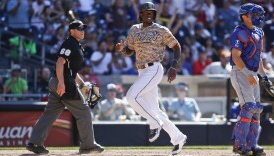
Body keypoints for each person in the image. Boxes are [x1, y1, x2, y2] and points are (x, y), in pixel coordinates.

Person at [115, 2, 187, 155]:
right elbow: (130, 51)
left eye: (151, 12)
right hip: (142, 71)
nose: (149, 14)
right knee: (155, 110)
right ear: (140, 14)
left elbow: (176, 46)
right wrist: (123, 49)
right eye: (146, 12)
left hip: (154, 68)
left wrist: (173, 67)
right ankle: (178, 137)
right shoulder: (134, 29)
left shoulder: (161, 30)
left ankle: (154, 123)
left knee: (131, 96)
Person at [26, 20, 104, 154]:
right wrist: (62, 83)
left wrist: (82, 84)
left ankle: (34, 143)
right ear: (71, 31)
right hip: (64, 83)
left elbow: (72, 70)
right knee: (84, 111)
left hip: (60, 80)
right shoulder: (70, 43)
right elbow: (60, 63)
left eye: (83, 29)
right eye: (79, 28)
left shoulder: (76, 45)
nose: (82, 31)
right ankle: (88, 145)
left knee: (50, 114)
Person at [230, 3, 267, 156]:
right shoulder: (239, 32)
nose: (257, 18)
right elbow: (235, 56)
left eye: (258, 15)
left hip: (253, 73)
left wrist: (264, 77)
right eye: (254, 15)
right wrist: (247, 73)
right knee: (249, 107)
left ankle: (252, 145)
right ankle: (239, 145)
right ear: (244, 16)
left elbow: (258, 58)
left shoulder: (259, 32)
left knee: (257, 109)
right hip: (241, 72)